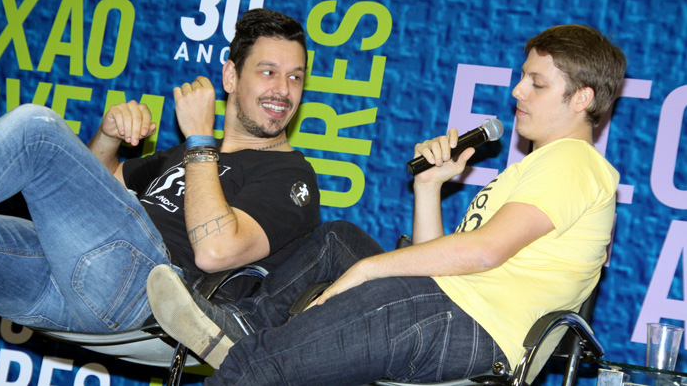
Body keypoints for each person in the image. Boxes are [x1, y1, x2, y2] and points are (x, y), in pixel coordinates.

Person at [146, 24, 626, 385]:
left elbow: (483, 252)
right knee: (338, 240)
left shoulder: (574, 162)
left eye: (536, 84)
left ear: (582, 98)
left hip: (471, 325)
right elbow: (441, 264)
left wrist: (370, 271)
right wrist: (430, 187)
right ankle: (237, 321)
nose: (517, 91)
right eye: (522, 77)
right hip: (451, 307)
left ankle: (243, 338)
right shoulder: (533, 169)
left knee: (255, 366)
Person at [0, 8, 320, 333]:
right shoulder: (185, 153)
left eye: (295, 77)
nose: (283, 90)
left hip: (152, 289)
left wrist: (199, 139)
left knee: (35, 128)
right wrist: (108, 137)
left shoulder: (292, 176)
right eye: (268, 71)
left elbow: (215, 252)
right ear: (231, 76)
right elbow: (89, 197)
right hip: (71, 282)